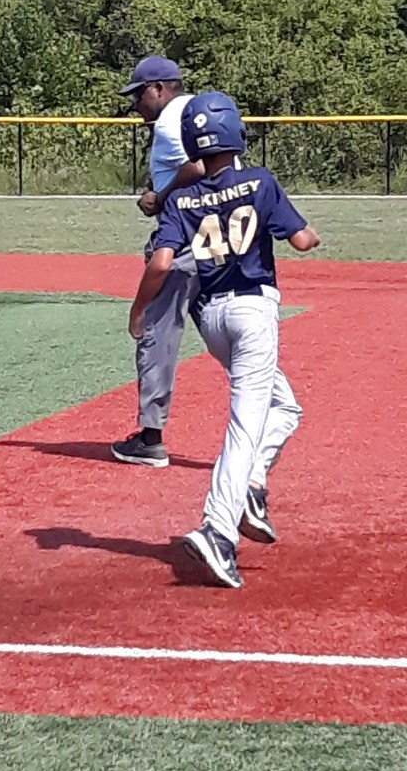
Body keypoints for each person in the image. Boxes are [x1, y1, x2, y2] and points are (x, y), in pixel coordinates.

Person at [127, 91, 319, 588]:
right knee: (245, 425)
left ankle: (251, 485)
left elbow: (162, 262)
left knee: (285, 408)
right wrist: (302, 230)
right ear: (236, 133)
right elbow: (303, 240)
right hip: (254, 311)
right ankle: (218, 528)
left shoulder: (182, 197)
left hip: (211, 319)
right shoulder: (260, 181)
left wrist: (139, 309)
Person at [110, 55, 209, 469]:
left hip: (183, 240)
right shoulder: (202, 111)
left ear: (159, 89)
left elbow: (197, 168)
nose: (135, 105)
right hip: (220, 240)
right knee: (230, 336)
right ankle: (272, 412)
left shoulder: (169, 121)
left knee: (157, 333)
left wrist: (160, 197)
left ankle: (150, 438)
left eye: (138, 95)